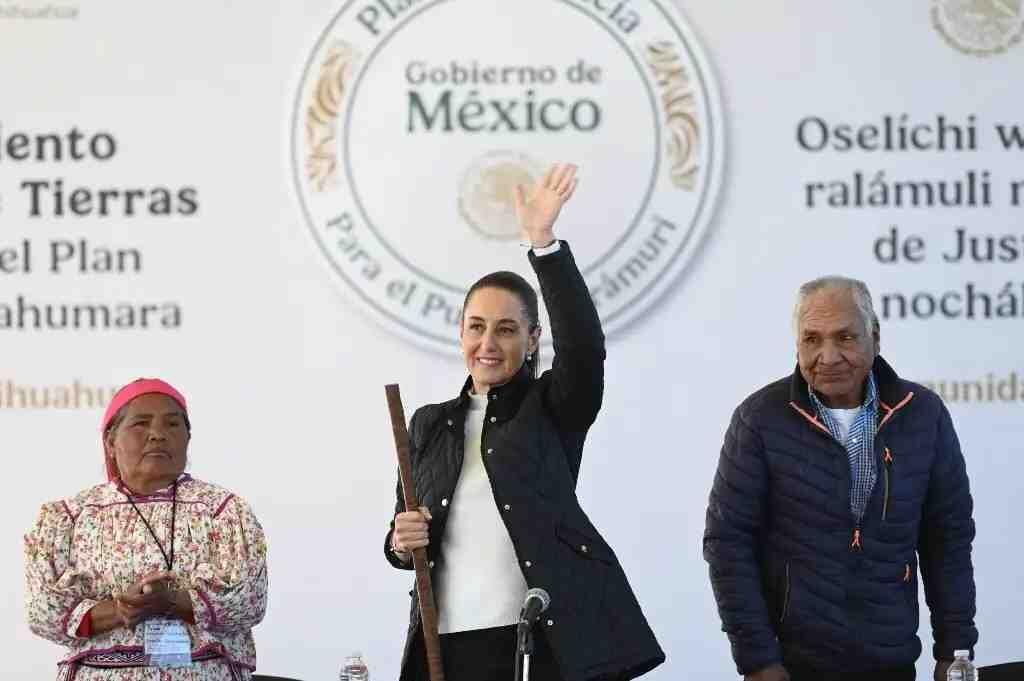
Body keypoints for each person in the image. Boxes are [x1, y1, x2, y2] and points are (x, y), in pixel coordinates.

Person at [385, 163, 664, 681]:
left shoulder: (553, 407)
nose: (488, 344)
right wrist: (401, 541)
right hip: (443, 648)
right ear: (461, 332)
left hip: (536, 645)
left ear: (533, 339)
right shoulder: (426, 425)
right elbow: (402, 539)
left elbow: (584, 349)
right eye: (477, 327)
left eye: (507, 329)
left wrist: (544, 245)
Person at [704, 276, 978, 681]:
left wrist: (955, 650)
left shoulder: (923, 414)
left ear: (875, 338)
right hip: (793, 666)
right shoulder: (759, 419)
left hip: (892, 662)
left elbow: (947, 540)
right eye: (812, 339)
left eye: (845, 337)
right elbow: (727, 545)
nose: (827, 356)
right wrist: (757, 659)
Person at [25, 378, 268, 680]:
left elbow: (249, 603)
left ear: (188, 439)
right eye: (141, 424)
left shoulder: (224, 511)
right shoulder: (69, 517)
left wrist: (176, 602)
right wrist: (119, 610)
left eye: (172, 425)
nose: (157, 435)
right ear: (111, 442)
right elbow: (42, 612)